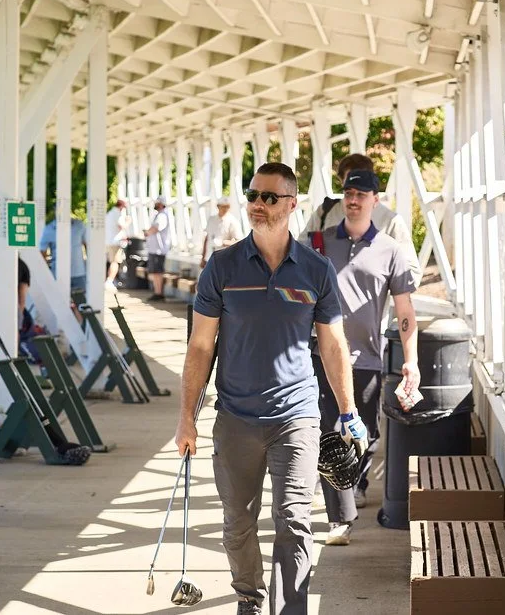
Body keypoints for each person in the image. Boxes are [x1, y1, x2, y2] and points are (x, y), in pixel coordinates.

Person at [175, 162, 369, 615]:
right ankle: (250, 598)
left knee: (295, 520)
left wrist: (348, 412)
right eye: (253, 195)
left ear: (292, 204)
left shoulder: (316, 270)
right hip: (235, 418)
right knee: (237, 522)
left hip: (296, 417)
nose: (258, 204)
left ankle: (290, 610)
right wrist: (186, 417)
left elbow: (333, 345)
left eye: (269, 197)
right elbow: (200, 347)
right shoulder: (222, 267)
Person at [304, 169, 421, 546]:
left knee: (364, 434)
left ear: (375, 200)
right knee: (329, 432)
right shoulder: (319, 243)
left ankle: (350, 483)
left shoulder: (391, 250)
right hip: (321, 353)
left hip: (368, 357)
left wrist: (411, 360)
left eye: (361, 194)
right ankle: (340, 518)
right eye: (348, 193)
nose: (353, 200)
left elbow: (405, 309)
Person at [303, 153, 419, 276]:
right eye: (351, 180)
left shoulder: (391, 220)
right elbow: (300, 252)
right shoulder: (325, 212)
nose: (356, 185)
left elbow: (411, 271)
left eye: (362, 184)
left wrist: (379, 279)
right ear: (342, 182)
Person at [39, 214, 89, 294]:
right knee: (59, 299)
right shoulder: (49, 229)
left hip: (78, 273)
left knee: (81, 300)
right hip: (58, 275)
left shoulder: (79, 225)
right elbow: (42, 253)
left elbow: (87, 246)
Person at [200, 196, 243, 268]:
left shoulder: (233, 222)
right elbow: (207, 239)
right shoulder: (211, 219)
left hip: (224, 260)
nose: (225, 209)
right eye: (223, 206)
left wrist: (224, 243)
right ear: (218, 206)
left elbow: (239, 242)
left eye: (227, 206)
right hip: (209, 258)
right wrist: (203, 257)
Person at [144, 197, 171, 301]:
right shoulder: (160, 215)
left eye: (157, 203)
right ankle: (157, 292)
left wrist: (147, 233)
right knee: (155, 272)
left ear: (161, 204)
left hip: (159, 249)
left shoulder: (162, 216)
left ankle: (158, 292)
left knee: (157, 271)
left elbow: (157, 227)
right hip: (155, 249)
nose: (155, 204)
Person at [104, 199, 129, 290]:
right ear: (121, 206)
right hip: (114, 242)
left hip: (108, 241)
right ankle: (110, 281)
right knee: (114, 262)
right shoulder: (117, 214)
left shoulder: (109, 213)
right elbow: (122, 226)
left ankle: (110, 280)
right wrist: (128, 221)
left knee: (110, 261)